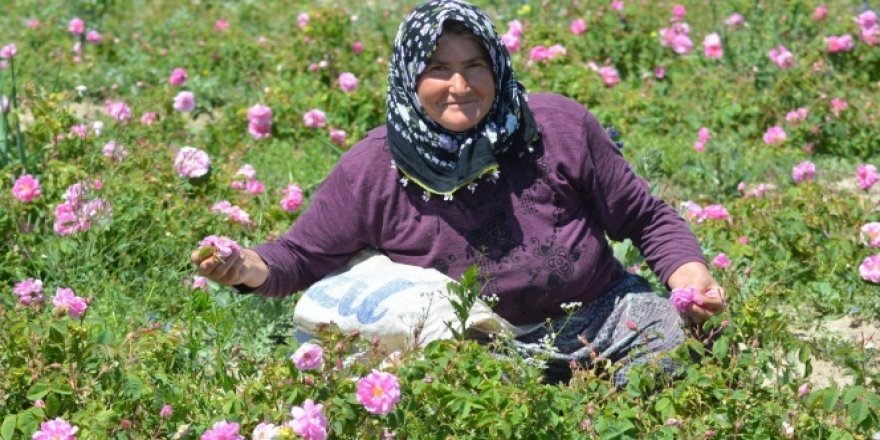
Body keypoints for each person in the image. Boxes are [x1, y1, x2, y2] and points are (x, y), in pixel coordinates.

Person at [192, 0, 726, 385]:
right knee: (445, 390)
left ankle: (600, 406)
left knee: (678, 344)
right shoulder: (374, 167)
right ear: (409, 78)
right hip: (479, 349)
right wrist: (242, 267)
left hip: (601, 316)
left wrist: (691, 280)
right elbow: (301, 257)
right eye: (439, 69)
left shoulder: (557, 127)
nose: (460, 85)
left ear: (497, 66)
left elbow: (645, 219)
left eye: (475, 66)